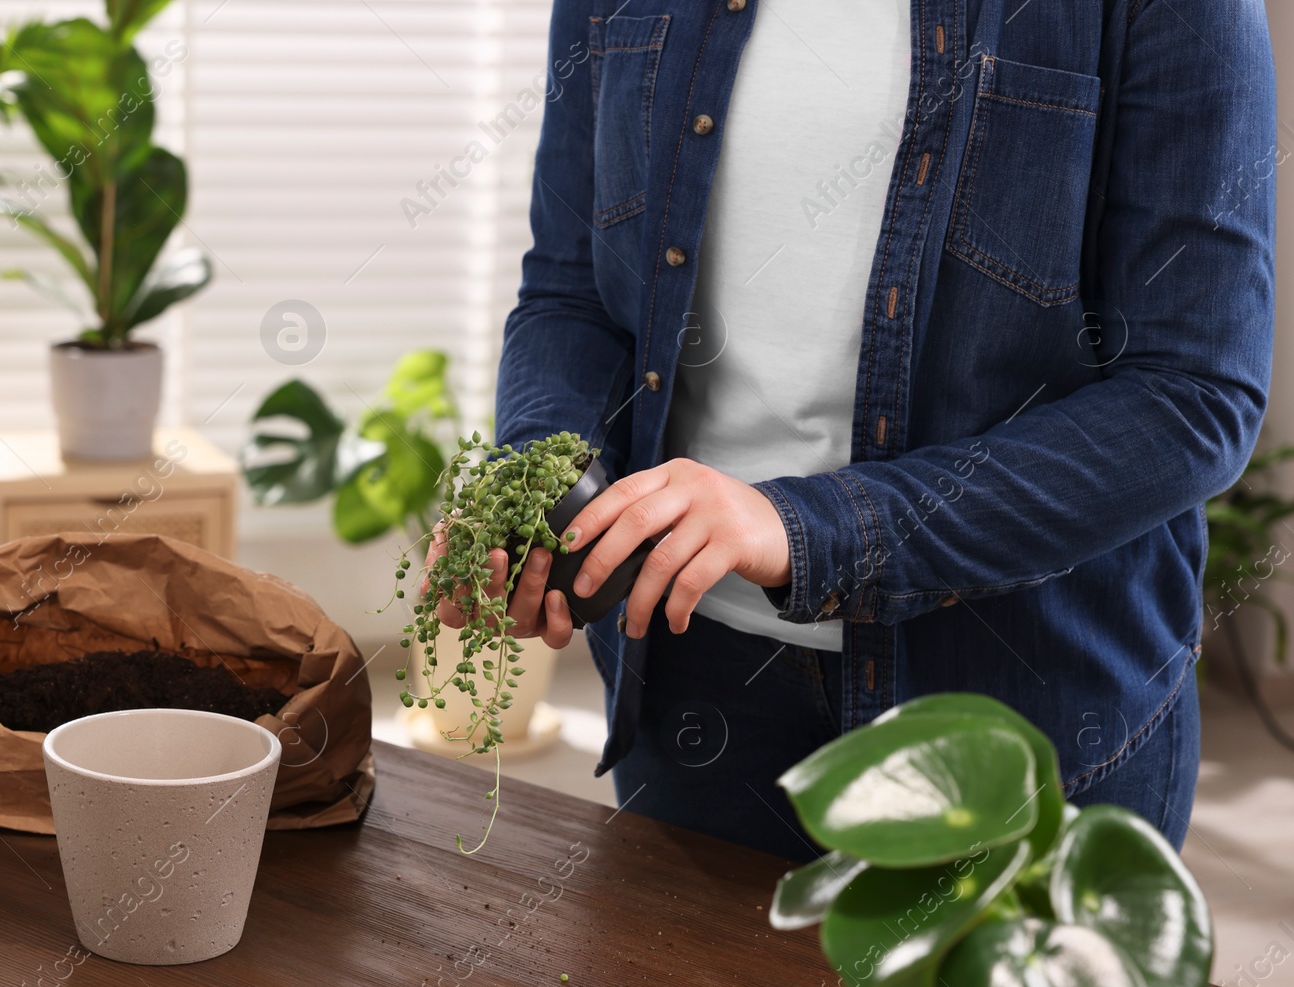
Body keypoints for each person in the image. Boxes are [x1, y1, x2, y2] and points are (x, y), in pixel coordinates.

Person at [476, 0, 1276, 860]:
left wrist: (807, 527)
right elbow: (574, 294)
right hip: (693, 683)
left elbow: (1192, 396)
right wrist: (538, 475)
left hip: (1023, 705)